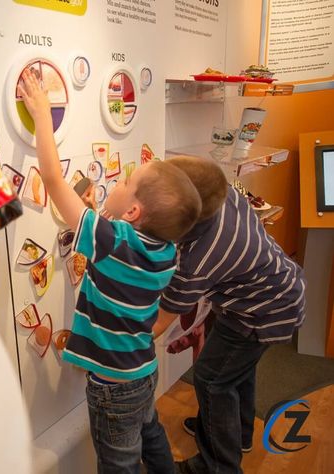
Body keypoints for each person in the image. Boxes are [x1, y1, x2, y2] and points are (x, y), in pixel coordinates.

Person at [19, 70, 202, 474]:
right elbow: (116, 242)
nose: (119, 181)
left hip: (112, 387)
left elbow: (50, 178)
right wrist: (97, 213)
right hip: (143, 371)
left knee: (119, 463)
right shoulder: (165, 251)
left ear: (133, 213)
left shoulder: (114, 241)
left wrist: (43, 115)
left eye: (128, 181)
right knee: (149, 433)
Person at [153, 155, 306, 474]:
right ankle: (236, 434)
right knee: (236, 369)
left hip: (262, 310)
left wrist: (114, 344)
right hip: (277, 289)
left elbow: (160, 323)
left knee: (211, 379)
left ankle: (219, 464)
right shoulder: (224, 195)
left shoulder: (198, 259)